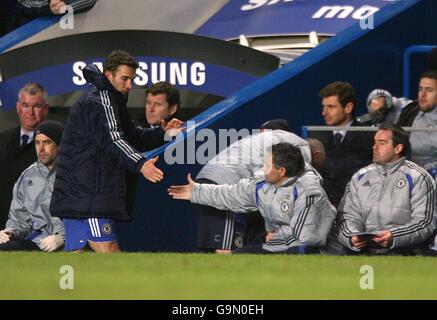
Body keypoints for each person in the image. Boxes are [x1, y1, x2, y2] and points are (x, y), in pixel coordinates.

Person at [49, 50, 183, 253]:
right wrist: (141, 164)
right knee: (110, 252)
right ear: (108, 75)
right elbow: (114, 139)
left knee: (82, 258)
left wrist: (163, 133)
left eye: (132, 79)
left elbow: (133, 136)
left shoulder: (111, 100)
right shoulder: (98, 101)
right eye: (125, 79)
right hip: (87, 198)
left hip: (81, 195)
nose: (129, 85)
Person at [168, 143, 336, 254]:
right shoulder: (263, 183)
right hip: (282, 241)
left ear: (282, 171)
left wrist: (275, 236)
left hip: (315, 248)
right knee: (243, 254)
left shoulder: (308, 191)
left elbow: (306, 237)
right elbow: (232, 195)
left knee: (244, 255)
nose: (263, 168)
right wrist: (197, 192)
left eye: (267, 165)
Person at [193, 120, 312, 254]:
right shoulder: (300, 149)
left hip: (209, 179)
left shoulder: (263, 142)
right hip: (224, 183)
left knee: (213, 249)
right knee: (224, 250)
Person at [337, 124, 436, 255]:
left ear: (398, 148)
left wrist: (394, 236)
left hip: (404, 250)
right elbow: (346, 216)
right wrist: (352, 237)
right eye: (374, 142)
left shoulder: (418, 177)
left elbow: (425, 222)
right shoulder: (359, 177)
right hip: (364, 250)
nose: (374, 147)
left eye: (382, 143)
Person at [0, 121, 65, 252]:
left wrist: (62, 238)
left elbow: (86, 219)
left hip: (71, 242)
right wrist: (9, 232)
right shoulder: (28, 177)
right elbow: (19, 219)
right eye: (37, 142)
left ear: (59, 144)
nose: (41, 149)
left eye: (47, 142)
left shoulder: (75, 175)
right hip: (39, 242)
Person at [309, 81, 374, 207]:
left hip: (355, 206)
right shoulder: (316, 139)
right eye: (324, 106)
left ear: (348, 108)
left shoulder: (368, 138)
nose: (324, 112)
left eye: (331, 107)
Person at [0, 83, 49, 229]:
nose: (30, 112)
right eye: (25, 105)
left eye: (36, 106)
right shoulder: (2, 140)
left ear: (45, 108)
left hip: (39, 227)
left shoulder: (57, 143)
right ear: (17, 107)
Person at [397, 70, 437, 178]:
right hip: (405, 171)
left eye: (429, 90)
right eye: (420, 89)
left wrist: (430, 168)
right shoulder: (410, 111)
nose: (423, 94)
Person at [15, 0, 96, 27]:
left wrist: (61, 6)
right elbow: (23, 4)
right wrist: (47, 9)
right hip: (27, 29)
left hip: (70, 34)